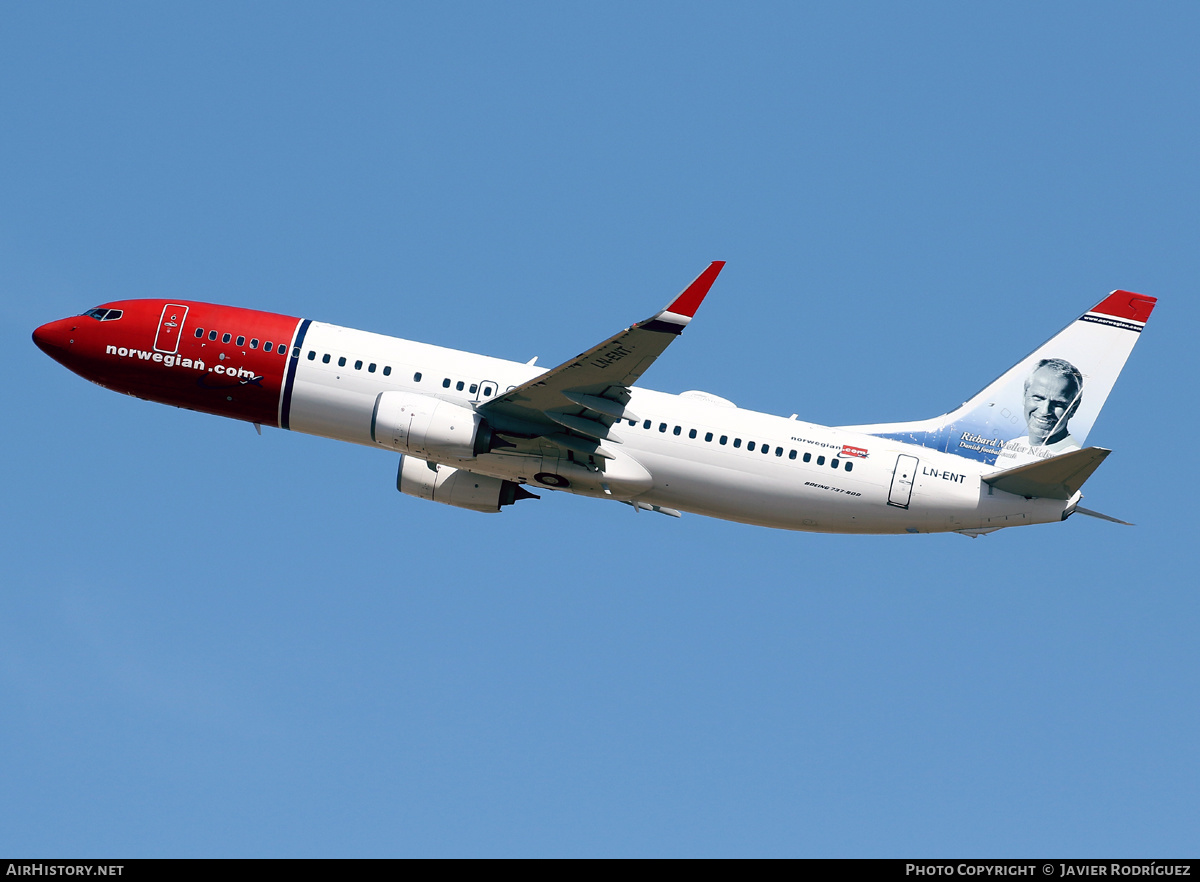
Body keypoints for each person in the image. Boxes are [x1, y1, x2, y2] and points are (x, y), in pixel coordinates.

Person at [1006, 358, 1084, 456]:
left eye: (1058, 403)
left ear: (1073, 408)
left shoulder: (1072, 459)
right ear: (1024, 395)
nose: (1044, 411)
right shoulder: (1011, 447)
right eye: (1038, 398)